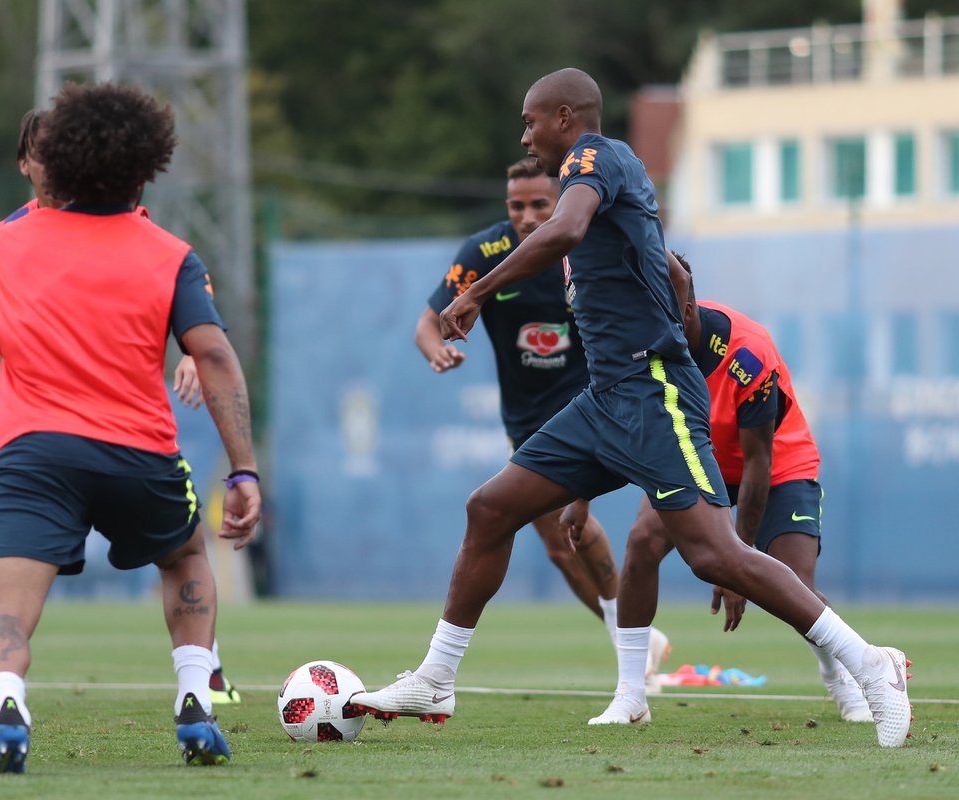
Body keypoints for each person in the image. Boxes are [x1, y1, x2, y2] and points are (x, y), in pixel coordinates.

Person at [348, 68, 911, 748]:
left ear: (564, 117)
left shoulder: (594, 158)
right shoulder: (594, 181)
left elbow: (565, 229)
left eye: (530, 122)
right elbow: (633, 253)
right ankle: (436, 677)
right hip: (604, 399)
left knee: (714, 555)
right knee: (489, 509)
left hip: (652, 389)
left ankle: (869, 664)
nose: (525, 136)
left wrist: (476, 292)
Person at [0, 82, 260, 772]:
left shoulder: (5, 244)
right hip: (140, 455)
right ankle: (195, 698)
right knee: (185, 556)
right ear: (145, 170)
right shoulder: (172, 253)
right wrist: (243, 469)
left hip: (34, 458)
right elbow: (215, 357)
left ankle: (7, 707)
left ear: (56, 162)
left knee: (6, 610)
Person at [579, 251, 872, 724]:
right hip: (695, 460)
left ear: (687, 308)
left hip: (778, 465)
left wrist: (738, 559)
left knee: (795, 584)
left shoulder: (747, 353)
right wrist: (579, 495)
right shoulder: (639, 345)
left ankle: (842, 677)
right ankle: (631, 694)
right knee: (641, 541)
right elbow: (606, 422)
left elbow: (758, 462)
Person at [416, 157, 669, 684]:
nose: (528, 216)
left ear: (560, 202)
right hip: (524, 419)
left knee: (571, 520)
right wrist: (436, 350)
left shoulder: (580, 246)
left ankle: (630, 636)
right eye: (517, 206)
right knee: (558, 545)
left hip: (586, 406)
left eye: (539, 204)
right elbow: (428, 323)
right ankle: (630, 634)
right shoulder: (485, 252)